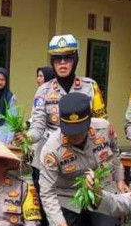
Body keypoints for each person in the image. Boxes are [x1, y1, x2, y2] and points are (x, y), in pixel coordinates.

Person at [39, 92, 127, 226]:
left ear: (89, 123)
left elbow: (115, 154)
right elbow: (47, 192)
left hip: (102, 189)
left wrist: (120, 182)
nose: (75, 136)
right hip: (68, 195)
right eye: (70, 131)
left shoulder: (104, 129)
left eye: (80, 130)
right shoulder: (51, 149)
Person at [25, 34, 107, 187]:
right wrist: (25, 138)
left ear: (75, 59)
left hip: (82, 158)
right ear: (52, 62)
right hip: (50, 159)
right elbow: (37, 127)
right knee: (48, 206)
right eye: (57, 59)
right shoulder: (43, 90)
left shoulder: (90, 87)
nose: (62, 63)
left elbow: (100, 125)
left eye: (68, 58)